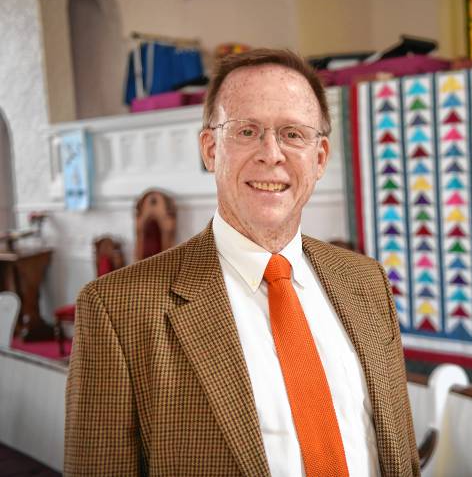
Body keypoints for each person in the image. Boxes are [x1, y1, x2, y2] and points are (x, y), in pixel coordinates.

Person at [65, 49, 420, 476]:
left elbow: (398, 451)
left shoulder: (366, 281)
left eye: (293, 134)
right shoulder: (118, 309)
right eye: (247, 131)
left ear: (320, 157)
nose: (271, 154)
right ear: (211, 149)